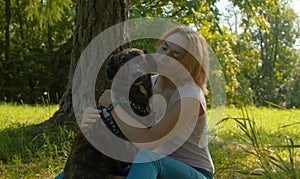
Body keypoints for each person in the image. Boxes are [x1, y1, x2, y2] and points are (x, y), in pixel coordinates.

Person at [83, 26, 214, 179]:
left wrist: (113, 105)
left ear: (189, 64)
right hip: (153, 168)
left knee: (146, 157)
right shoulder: (146, 85)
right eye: (164, 48)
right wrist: (94, 117)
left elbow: (147, 143)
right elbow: (125, 122)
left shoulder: (190, 97)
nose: (164, 56)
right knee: (85, 168)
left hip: (193, 172)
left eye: (175, 55)